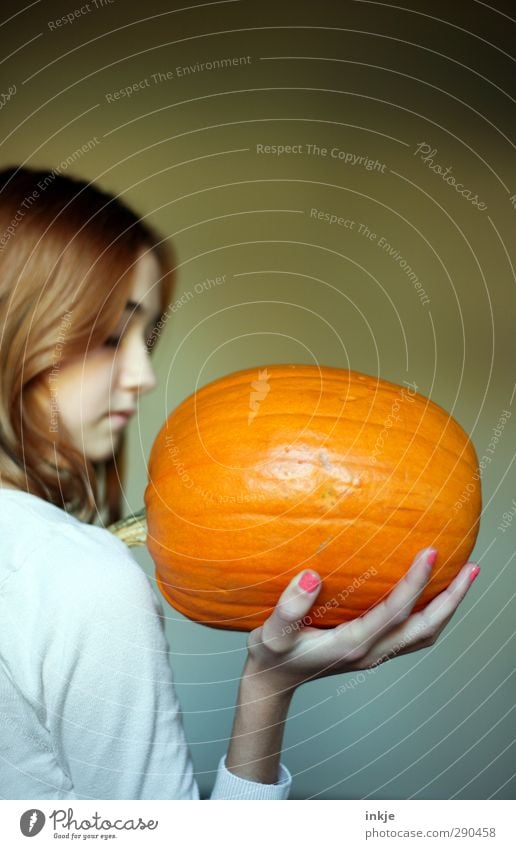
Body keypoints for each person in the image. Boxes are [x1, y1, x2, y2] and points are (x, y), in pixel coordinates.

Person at [0, 166, 481, 800]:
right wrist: (269, 688)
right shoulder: (82, 580)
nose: (142, 375)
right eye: (113, 336)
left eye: (147, 338)